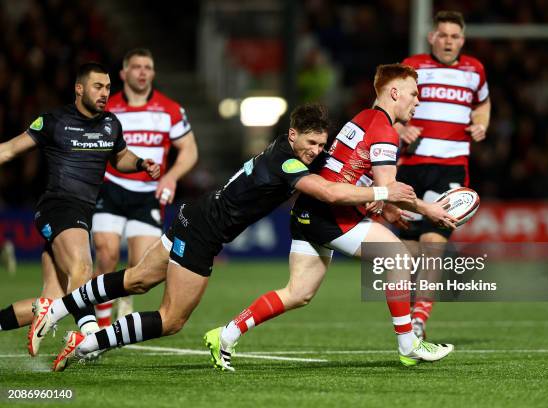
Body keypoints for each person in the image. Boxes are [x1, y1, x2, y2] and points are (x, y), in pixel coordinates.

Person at [28, 103, 417, 371]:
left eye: (321, 144)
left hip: (193, 214)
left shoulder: (286, 151)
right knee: (172, 320)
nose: (317, 151)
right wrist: (385, 193)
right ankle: (88, 343)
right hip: (203, 232)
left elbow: (337, 173)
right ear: (293, 134)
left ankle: (58, 309)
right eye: (311, 143)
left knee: (136, 279)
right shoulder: (287, 162)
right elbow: (331, 193)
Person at [205, 63, 457, 372]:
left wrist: (387, 204)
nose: (418, 101)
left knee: (298, 293)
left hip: (308, 212)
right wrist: (429, 209)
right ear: (395, 93)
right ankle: (409, 345)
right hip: (331, 214)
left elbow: (358, 175)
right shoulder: (384, 130)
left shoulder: (364, 118)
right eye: (414, 94)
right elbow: (388, 187)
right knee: (399, 258)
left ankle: (225, 335)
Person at [0, 63, 160, 351]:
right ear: (79, 88)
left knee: (51, 302)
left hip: (82, 213)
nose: (104, 93)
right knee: (83, 267)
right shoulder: (54, 121)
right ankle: (90, 339)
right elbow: (10, 149)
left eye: (108, 88)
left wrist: (139, 164)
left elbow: (120, 156)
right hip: (58, 207)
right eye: (98, 87)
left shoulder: (111, 124)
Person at [394, 11, 491, 339]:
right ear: (431, 37)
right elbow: (386, 106)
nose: (448, 41)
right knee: (406, 250)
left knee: (433, 243)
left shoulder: (474, 70)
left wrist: (482, 125)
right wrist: (401, 126)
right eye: (443, 35)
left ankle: (419, 319)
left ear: (462, 40)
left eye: (455, 36)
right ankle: (406, 316)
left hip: (450, 167)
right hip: (410, 167)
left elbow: (483, 104)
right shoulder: (412, 66)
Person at [92, 48, 198, 326]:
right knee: (106, 253)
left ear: (153, 73)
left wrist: (171, 176)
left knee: (140, 269)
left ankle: (123, 298)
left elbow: (189, 150)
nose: (142, 72)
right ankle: (101, 327)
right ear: (123, 74)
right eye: (136, 67)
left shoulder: (170, 109)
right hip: (111, 188)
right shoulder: (107, 108)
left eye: (147, 67)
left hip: (148, 196)